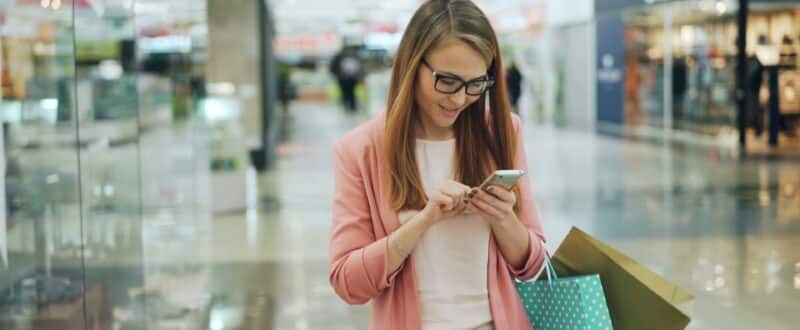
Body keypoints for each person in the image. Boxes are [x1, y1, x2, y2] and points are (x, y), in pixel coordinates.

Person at [328, 1, 546, 329]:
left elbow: (534, 266)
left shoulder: (502, 132)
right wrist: (422, 222)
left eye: (476, 84)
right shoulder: (360, 150)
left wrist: (504, 219)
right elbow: (348, 283)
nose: (459, 99)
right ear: (412, 64)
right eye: (447, 81)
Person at [330, 47, 362, 112]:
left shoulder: (343, 60)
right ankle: (350, 107)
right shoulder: (343, 60)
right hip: (346, 79)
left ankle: (350, 106)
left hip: (347, 79)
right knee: (348, 93)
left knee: (347, 93)